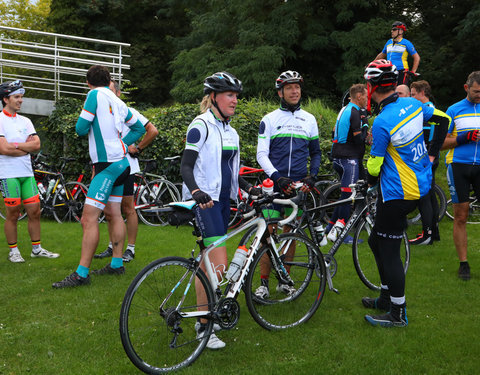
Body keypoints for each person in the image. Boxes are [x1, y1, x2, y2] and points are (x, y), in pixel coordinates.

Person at [361, 60, 449, 327]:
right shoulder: (411, 103)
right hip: (418, 185)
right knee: (376, 242)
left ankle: (398, 313)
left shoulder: (382, 121)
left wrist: (367, 182)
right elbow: (443, 119)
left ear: (372, 87)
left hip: (398, 192)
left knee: (389, 250)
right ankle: (386, 298)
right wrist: (432, 151)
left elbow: (375, 164)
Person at [181, 71, 259, 350]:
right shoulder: (200, 125)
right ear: (213, 97)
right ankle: (204, 326)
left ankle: (201, 318)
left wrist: (250, 189)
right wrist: (196, 192)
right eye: (229, 95)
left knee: (208, 265)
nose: (235, 100)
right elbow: (186, 166)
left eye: (236, 96)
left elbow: (234, 172)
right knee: (219, 264)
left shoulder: (231, 131)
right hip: (205, 202)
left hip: (224, 202)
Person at [52, 65, 145, 288]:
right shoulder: (118, 100)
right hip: (123, 164)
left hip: (107, 165)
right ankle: (116, 263)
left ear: (88, 83)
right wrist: (122, 144)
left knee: (88, 218)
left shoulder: (94, 94)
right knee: (114, 214)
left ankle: (81, 274)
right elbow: (139, 128)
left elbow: (81, 128)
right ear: (109, 80)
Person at [255, 70, 321, 298]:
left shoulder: (309, 119)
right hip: (275, 186)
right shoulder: (270, 119)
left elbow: (316, 152)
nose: (295, 91)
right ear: (280, 92)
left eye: (298, 87)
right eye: (289, 87)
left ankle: (285, 280)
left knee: (291, 233)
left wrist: (312, 176)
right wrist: (277, 177)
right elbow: (261, 155)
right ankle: (263, 283)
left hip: (298, 187)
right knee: (268, 234)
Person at [94, 80, 159, 262]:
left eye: (111, 90)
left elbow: (152, 130)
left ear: (119, 93)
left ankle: (130, 249)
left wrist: (137, 148)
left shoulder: (128, 112)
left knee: (127, 208)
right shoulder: (101, 114)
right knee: (109, 210)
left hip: (127, 167)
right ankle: (112, 246)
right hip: (108, 167)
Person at [0, 80, 59, 263]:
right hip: (8, 174)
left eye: (21, 97)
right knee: (13, 213)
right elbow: (3, 149)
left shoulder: (26, 121)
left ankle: (36, 248)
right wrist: (26, 147)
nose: (21, 101)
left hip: (26, 174)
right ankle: (14, 251)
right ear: (5, 99)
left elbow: (37, 144)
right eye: (17, 97)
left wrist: (16, 145)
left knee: (35, 211)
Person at [441, 71, 480, 280]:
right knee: (461, 216)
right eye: (476, 92)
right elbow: (440, 144)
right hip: (459, 166)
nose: (479, 95)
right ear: (467, 88)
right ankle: (463, 263)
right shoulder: (454, 110)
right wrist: (464, 138)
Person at [327, 83, 369, 243]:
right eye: (365, 96)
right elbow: (359, 138)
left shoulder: (345, 109)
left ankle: (330, 228)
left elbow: (334, 132)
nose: (367, 99)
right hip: (348, 158)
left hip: (339, 156)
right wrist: (366, 130)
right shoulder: (355, 112)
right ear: (359, 96)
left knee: (345, 195)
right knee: (348, 197)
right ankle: (341, 234)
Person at [409, 80, 448, 245]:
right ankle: (433, 232)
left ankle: (428, 233)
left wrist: (431, 156)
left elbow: (435, 135)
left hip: (427, 159)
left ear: (422, 93)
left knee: (424, 196)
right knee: (430, 195)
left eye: (413, 94)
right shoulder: (425, 110)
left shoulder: (430, 110)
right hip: (426, 158)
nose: (411, 98)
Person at [375, 21, 420, 86]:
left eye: (394, 29)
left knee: (400, 92)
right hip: (389, 71)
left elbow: (417, 57)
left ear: (401, 31)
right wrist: (372, 63)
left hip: (401, 71)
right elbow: (382, 54)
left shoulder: (406, 43)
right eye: (392, 29)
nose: (392, 31)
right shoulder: (389, 42)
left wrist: (412, 72)